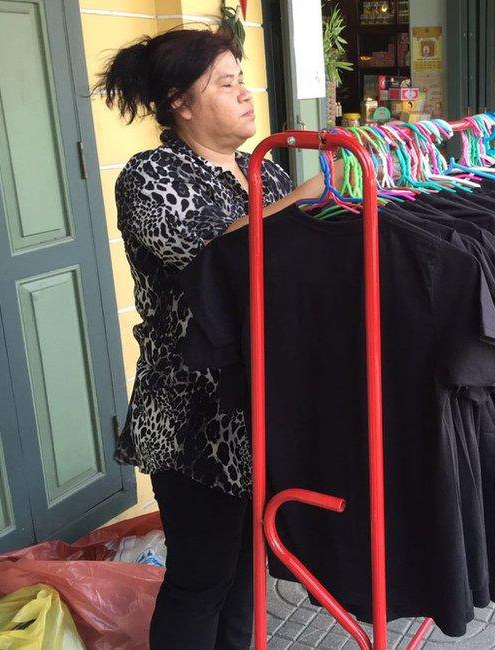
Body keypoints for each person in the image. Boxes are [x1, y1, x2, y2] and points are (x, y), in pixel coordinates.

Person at [94, 26, 334, 649]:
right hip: (192, 418)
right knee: (202, 576)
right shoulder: (150, 176)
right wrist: (306, 203)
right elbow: (211, 254)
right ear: (181, 102)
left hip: (258, 404)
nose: (246, 94)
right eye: (225, 84)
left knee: (250, 572)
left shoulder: (266, 172)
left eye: (242, 79)